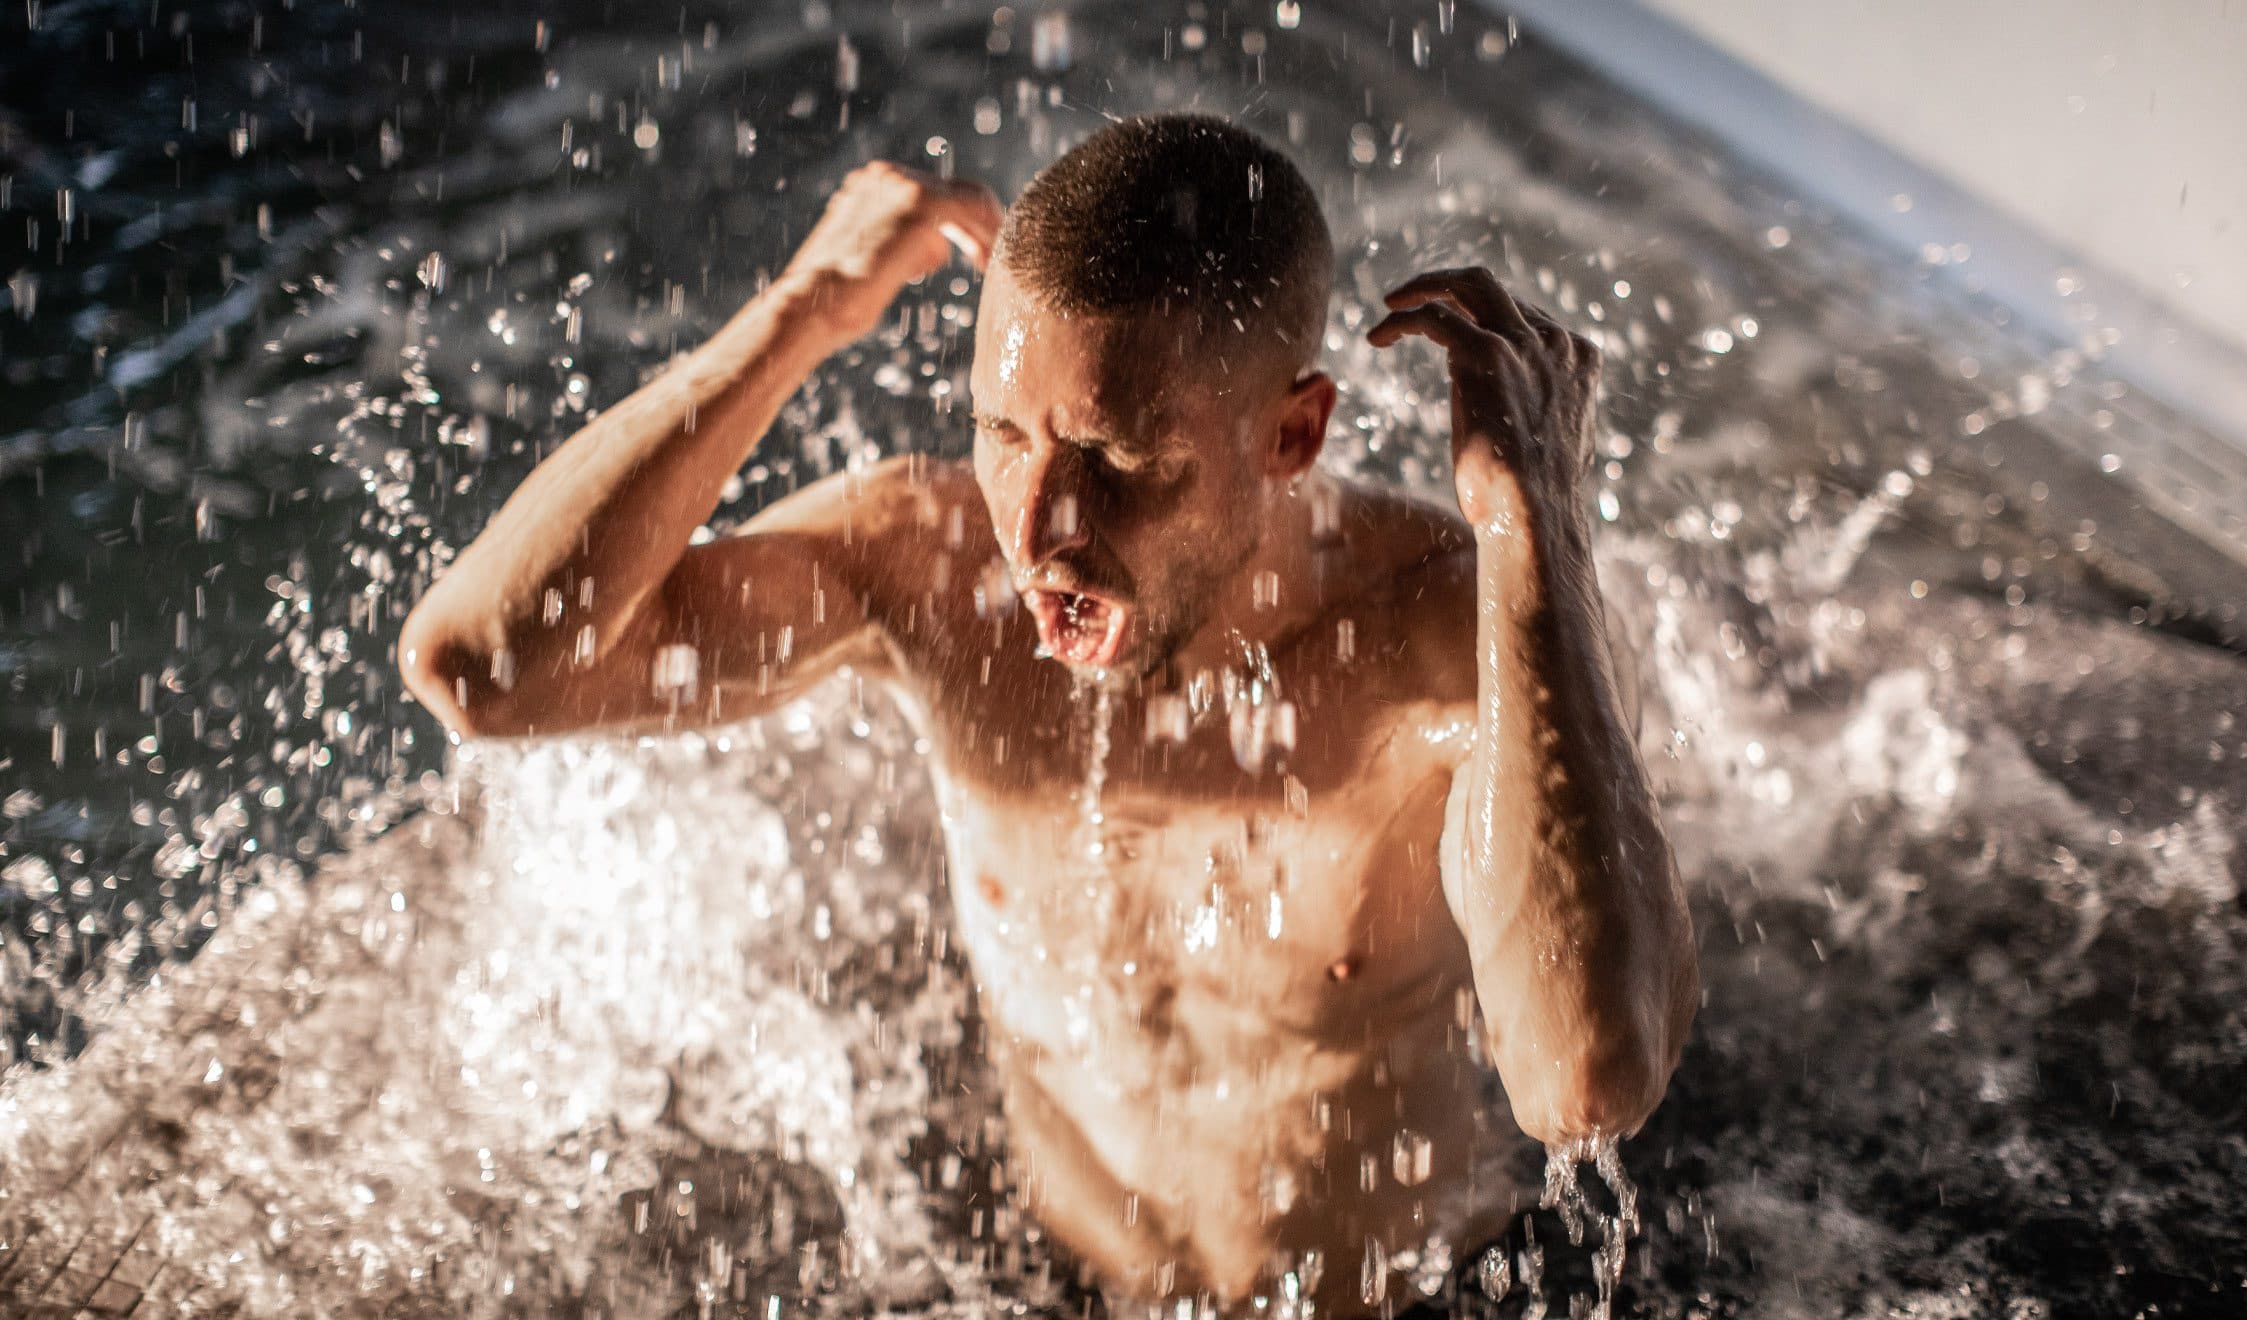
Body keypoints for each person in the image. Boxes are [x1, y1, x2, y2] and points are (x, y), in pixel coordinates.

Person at [398, 113, 1698, 1315]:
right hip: (1047, 1279)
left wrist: (1527, 514)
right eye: (1001, 434)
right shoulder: (930, 567)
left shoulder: (1459, 639)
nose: (1037, 532)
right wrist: (798, 318)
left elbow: (1584, 1077)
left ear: (1292, 436)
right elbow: (486, 674)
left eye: (1122, 460)